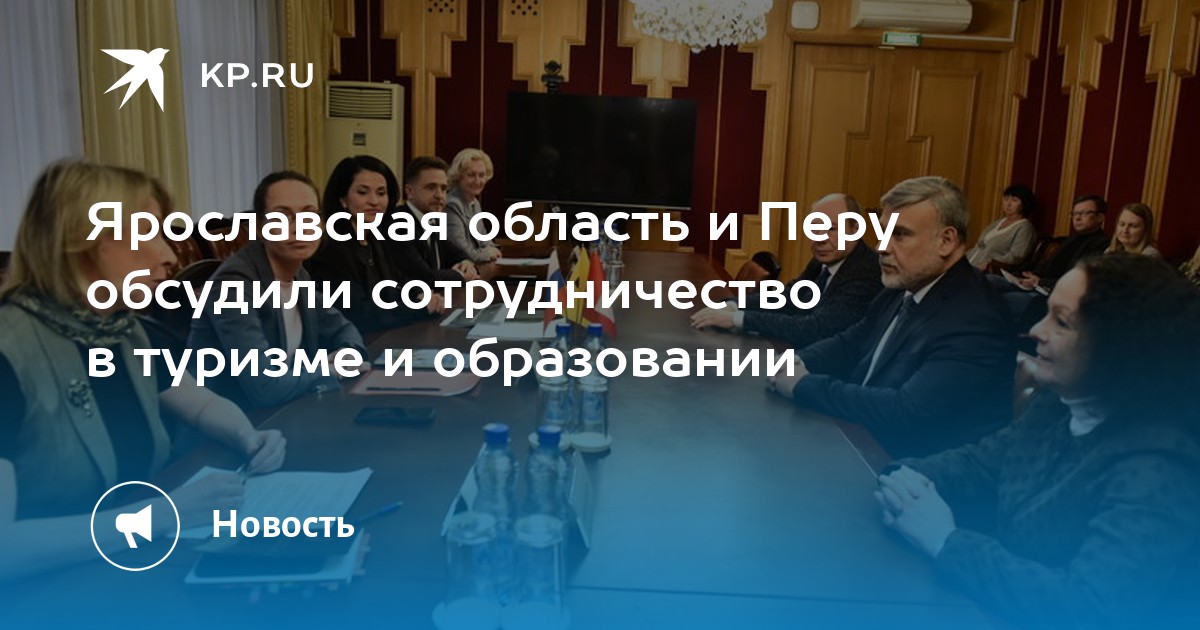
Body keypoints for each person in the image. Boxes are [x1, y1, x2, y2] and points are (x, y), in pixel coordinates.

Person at [875, 255, 1200, 628]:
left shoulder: (1161, 466)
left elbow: (1090, 608)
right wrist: (900, 478)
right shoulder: (1059, 402)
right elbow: (982, 463)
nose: (1035, 330)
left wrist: (945, 541)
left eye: (1062, 322)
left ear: (1121, 343)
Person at [0, 161, 285, 579]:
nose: (169, 256)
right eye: (147, 233)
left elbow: (199, 403)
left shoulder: (124, 329)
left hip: (125, 567)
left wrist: (248, 436)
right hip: (48, 592)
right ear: (79, 242)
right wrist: (159, 516)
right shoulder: (10, 352)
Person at [767, 176, 1014, 458]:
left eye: (900, 235)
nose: (881, 247)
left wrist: (803, 385)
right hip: (859, 440)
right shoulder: (904, 285)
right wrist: (796, 362)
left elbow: (906, 411)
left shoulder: (976, 317)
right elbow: (852, 341)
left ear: (946, 241)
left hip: (908, 468)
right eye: (882, 232)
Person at [188, 171, 368, 409]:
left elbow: (344, 329)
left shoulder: (298, 273)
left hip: (286, 409)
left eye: (309, 215)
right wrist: (328, 369)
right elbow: (264, 387)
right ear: (259, 227)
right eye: (282, 216)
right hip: (232, 423)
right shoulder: (233, 286)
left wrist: (349, 353)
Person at [689, 193, 883, 348]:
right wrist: (733, 306)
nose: (820, 238)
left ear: (855, 228)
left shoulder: (866, 271)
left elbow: (815, 328)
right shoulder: (827, 258)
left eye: (831, 229)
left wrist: (738, 319)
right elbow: (788, 297)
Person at [306, 155, 445, 333]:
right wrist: (419, 307)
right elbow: (359, 314)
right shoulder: (331, 247)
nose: (374, 201)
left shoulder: (376, 238)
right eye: (363, 192)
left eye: (381, 193)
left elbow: (397, 281)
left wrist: (421, 293)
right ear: (343, 199)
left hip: (383, 336)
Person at [389, 156, 480, 283]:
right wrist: (460, 275)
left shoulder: (434, 220)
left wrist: (467, 263)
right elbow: (422, 277)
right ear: (409, 192)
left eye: (443, 189)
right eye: (431, 187)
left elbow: (455, 253)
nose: (439, 195)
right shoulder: (398, 223)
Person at [1014, 194, 1109, 293]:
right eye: (1074, 213)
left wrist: (1041, 282)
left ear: (1100, 217)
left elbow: (1079, 281)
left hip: (1059, 295)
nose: (1077, 218)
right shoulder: (1070, 239)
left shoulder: (1102, 244)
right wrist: (1031, 276)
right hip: (1037, 287)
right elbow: (1050, 266)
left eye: (1084, 213)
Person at [445, 148, 502, 263]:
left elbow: (484, 239)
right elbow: (462, 252)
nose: (477, 181)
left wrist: (493, 249)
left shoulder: (474, 203)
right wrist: (488, 254)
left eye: (481, 175)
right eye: (471, 175)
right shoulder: (451, 205)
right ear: (459, 176)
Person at [966, 184, 1037, 269]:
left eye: (1014, 200)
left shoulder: (1025, 228)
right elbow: (978, 246)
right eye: (1006, 199)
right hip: (971, 263)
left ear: (1024, 204)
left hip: (989, 270)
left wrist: (990, 264)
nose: (1008, 204)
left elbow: (1016, 256)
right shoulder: (998, 222)